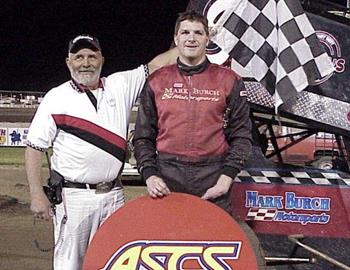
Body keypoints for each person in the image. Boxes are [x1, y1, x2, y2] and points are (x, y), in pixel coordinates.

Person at [25, 34, 176, 270]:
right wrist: (36, 194)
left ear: (102, 60)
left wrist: (195, 40)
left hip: (114, 195)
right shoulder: (55, 97)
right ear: (68, 62)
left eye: (92, 56)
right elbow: (34, 147)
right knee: (70, 265)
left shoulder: (120, 84)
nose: (86, 62)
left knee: (113, 261)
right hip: (73, 198)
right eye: (79, 57)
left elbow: (157, 64)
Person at [133, 11, 252, 213]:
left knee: (215, 242)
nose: (191, 38)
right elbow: (143, 137)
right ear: (176, 38)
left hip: (213, 176)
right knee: (167, 243)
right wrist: (150, 175)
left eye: (198, 32)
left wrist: (226, 179)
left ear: (208, 38)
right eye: (185, 32)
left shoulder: (229, 80)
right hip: (168, 177)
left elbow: (242, 136)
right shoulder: (157, 80)